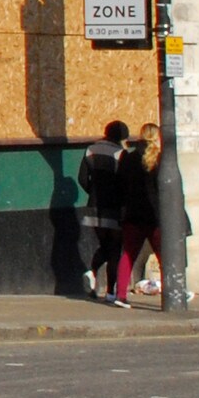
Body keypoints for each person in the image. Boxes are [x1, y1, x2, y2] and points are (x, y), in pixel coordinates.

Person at [113, 121, 164, 308]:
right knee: (163, 255)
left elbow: (120, 185)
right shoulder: (160, 159)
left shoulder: (129, 157)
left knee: (127, 254)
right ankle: (173, 292)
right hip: (154, 215)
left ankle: (120, 294)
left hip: (132, 213)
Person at [78, 119, 129, 298]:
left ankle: (91, 273)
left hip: (93, 206)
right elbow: (124, 182)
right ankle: (110, 292)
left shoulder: (90, 150)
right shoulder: (121, 154)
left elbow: (82, 178)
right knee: (115, 248)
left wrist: (92, 193)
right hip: (114, 207)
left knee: (104, 244)